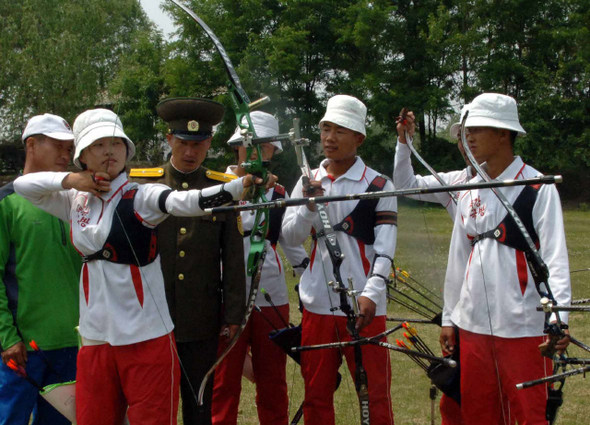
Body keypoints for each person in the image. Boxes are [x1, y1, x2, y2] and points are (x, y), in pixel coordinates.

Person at [14, 108, 272, 425]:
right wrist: (71, 180)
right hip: (96, 338)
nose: (108, 151)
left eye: (116, 143)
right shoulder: (73, 200)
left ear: (127, 150)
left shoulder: (142, 194)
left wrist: (237, 186)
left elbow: (188, 202)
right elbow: (24, 185)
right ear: (82, 156)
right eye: (97, 145)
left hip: (144, 338)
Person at [438, 93, 571, 424]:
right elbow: (459, 257)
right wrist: (448, 317)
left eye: (478, 128)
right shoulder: (469, 189)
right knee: (479, 413)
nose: (468, 136)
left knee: (528, 414)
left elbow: (555, 258)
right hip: (472, 325)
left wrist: (559, 319)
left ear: (503, 133)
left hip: (523, 326)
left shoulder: (537, 187)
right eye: (467, 129)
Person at [281, 95, 397, 425]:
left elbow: (386, 247)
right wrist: (307, 204)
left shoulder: (378, 184)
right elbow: (289, 236)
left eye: (340, 131)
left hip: (365, 305)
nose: (330, 138)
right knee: (316, 393)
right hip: (318, 304)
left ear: (359, 138)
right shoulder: (308, 180)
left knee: (374, 393)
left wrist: (372, 293)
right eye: (325, 129)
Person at [130, 98, 247, 425]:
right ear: (169, 140)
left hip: (201, 317)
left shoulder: (221, 189)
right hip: (150, 316)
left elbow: (234, 257)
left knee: (199, 405)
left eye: (198, 144)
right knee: (152, 404)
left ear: (209, 143)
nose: (190, 152)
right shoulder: (143, 185)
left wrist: (233, 312)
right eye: (183, 143)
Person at [211, 111, 309, 425]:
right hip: (229, 296)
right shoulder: (216, 189)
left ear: (272, 151)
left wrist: (310, 278)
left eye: (265, 147)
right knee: (224, 380)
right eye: (250, 145)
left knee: (272, 379)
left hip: (272, 294)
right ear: (237, 146)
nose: (257, 152)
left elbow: (287, 241)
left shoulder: (278, 193)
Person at [394, 106, 473, 425]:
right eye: (463, 138)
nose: (467, 143)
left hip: (504, 302)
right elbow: (405, 184)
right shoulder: (456, 182)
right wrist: (404, 142)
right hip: (463, 299)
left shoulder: (516, 183)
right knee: (456, 391)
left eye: (474, 135)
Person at [0, 114, 80, 425]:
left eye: (69, 148)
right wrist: (6, 337)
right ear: (31, 145)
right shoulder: (7, 202)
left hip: (73, 342)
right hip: (24, 346)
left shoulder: (77, 201)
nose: (66, 155)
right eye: (58, 147)